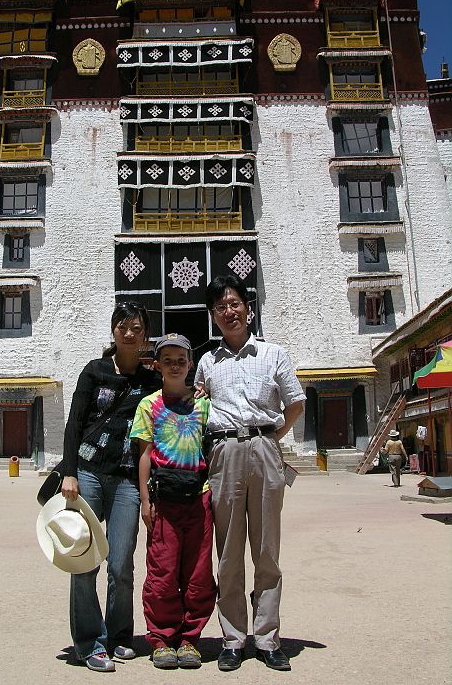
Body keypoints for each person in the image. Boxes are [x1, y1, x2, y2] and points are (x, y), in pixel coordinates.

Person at [195, 275, 306, 673]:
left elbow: (294, 402)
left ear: (248, 308)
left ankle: (267, 636)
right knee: (228, 550)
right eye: (220, 307)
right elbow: (197, 407)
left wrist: (271, 437)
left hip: (264, 448)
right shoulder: (207, 362)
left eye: (234, 303)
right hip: (223, 452)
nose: (229, 312)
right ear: (213, 316)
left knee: (266, 549)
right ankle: (233, 637)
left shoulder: (274, 353)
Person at [61, 302, 158, 672]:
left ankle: (119, 636)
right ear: (113, 331)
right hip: (87, 473)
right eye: (123, 326)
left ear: (145, 334)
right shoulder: (94, 371)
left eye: (136, 327)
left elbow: (166, 416)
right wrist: (69, 471)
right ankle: (89, 642)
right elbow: (74, 424)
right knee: (84, 559)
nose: (129, 333)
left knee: (120, 563)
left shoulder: (151, 381)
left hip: (127, 479)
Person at [130, 333, 216, 670]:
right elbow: (145, 455)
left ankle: (190, 639)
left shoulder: (204, 404)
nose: (175, 366)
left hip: (200, 497)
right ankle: (162, 638)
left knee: (198, 572)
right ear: (158, 365)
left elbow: (214, 448)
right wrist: (143, 499)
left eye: (181, 360)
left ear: (190, 364)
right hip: (163, 500)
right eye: (168, 361)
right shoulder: (149, 406)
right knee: (162, 572)